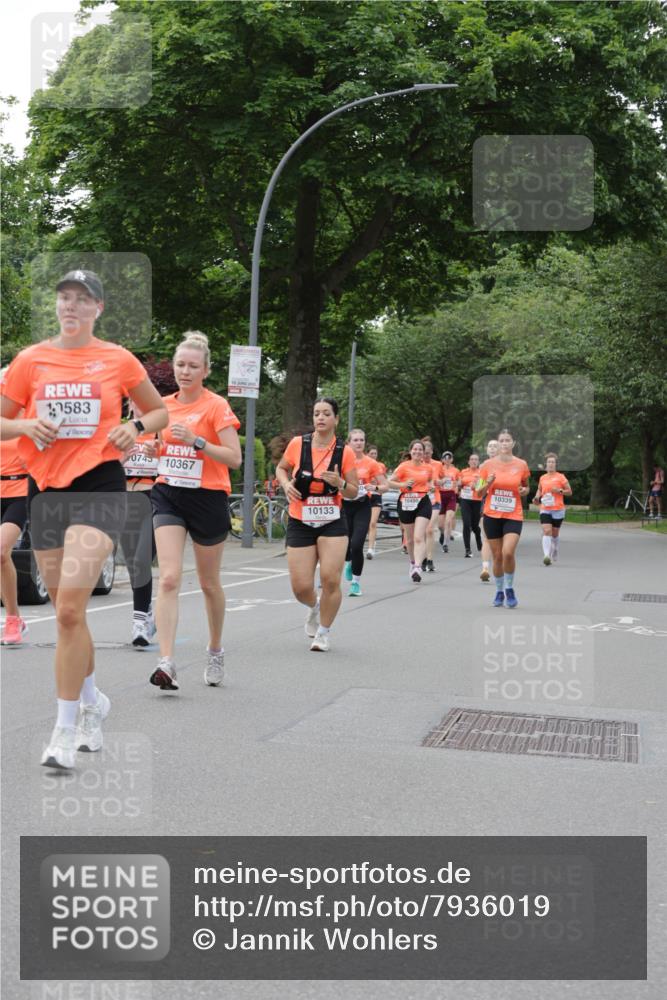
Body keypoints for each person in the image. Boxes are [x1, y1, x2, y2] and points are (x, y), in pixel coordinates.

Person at [0, 269, 167, 769]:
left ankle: (63, 731)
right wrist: (25, 424)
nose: (70, 305)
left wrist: (134, 426)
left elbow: (159, 413)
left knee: (71, 607)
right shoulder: (30, 360)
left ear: (98, 308)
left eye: (81, 298)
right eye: (64, 297)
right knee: (67, 613)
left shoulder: (117, 359)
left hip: (100, 486)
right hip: (46, 489)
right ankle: (93, 702)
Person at [146, 331, 241, 691]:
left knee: (208, 583)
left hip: (207, 498)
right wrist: (156, 451)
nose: (185, 372)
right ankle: (166, 662)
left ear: (206, 371)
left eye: (193, 366)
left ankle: (215, 649)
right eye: (180, 365)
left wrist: (198, 441)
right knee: (169, 577)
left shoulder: (216, 406)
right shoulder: (162, 406)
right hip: (168, 494)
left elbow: (234, 458)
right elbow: (158, 446)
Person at [276, 398, 359, 652]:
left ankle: (323, 633)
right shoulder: (298, 444)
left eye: (326, 414)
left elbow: (353, 491)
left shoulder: (345, 452)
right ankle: (314, 606)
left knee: (330, 579)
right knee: (301, 587)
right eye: (316, 414)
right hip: (300, 518)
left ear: (336, 419)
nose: (320, 418)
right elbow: (281, 468)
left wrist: (340, 483)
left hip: (332, 520)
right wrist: (286, 484)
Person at [121, 403, 160, 646]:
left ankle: (139, 623)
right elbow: (105, 467)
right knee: (132, 564)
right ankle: (146, 612)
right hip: (125, 500)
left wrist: (158, 454)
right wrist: (122, 456)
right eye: (135, 401)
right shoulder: (121, 431)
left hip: (154, 498)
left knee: (141, 559)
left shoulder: (161, 432)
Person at [477, 429, 530, 608]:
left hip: (513, 514)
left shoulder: (521, 464)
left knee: (508, 552)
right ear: (498, 444)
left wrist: (524, 491)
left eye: (508, 440)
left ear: (513, 443)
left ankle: (509, 589)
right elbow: (479, 492)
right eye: (502, 440)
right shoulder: (487, 465)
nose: (505, 443)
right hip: (492, 515)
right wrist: (488, 483)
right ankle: (499, 591)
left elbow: (526, 487)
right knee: (497, 556)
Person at [343, 429, 387, 596]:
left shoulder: (371, 463)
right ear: (349, 443)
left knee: (357, 544)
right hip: (344, 506)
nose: (359, 443)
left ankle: (355, 583)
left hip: (362, 505)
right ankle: (349, 561)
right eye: (355, 440)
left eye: (361, 440)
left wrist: (374, 487)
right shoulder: (341, 459)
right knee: (345, 545)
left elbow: (385, 486)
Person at [386, 440, 434, 583]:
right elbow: (388, 482)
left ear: (423, 453)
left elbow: (430, 481)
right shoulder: (403, 467)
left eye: (420, 450)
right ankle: (413, 562)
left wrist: (431, 487)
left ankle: (418, 567)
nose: (417, 452)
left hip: (423, 502)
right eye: (415, 449)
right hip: (406, 503)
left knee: (419, 537)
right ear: (411, 451)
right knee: (410, 539)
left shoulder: (428, 468)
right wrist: (403, 484)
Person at [0, 420, 29, 645]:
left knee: (1, 551)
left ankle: (12, 619)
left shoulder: (29, 419)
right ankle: (16, 619)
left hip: (20, 493)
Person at [532, 453, 572, 564]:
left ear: (556, 464)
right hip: (545, 508)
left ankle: (555, 549)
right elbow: (540, 489)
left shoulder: (561, 477)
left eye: (553, 462)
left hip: (558, 509)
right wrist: (536, 497)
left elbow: (569, 492)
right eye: (549, 462)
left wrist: (559, 491)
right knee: (546, 531)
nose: (551, 464)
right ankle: (546, 556)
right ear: (546, 464)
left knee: (554, 533)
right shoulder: (542, 478)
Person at [421, 438, 444, 573]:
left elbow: (442, 478)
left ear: (432, 452)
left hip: (435, 499)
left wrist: (440, 482)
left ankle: (429, 560)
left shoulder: (438, 464)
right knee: (422, 531)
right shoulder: (418, 465)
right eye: (424, 453)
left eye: (428, 453)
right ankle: (423, 558)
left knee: (429, 529)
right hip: (421, 500)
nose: (426, 456)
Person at [479, 439, 499, 581]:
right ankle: (485, 568)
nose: (492, 448)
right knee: (486, 537)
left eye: (495, 446)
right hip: (487, 500)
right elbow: (479, 489)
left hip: (503, 502)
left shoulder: (506, 465)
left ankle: (499, 566)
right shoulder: (484, 466)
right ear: (487, 450)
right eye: (490, 446)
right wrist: (484, 483)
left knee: (500, 539)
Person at [457, 453, 483, 558]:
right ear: (468, 462)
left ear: (478, 462)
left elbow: (482, 487)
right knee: (466, 524)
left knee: (475, 525)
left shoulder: (481, 472)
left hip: (477, 501)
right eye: (472, 459)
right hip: (465, 500)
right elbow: (459, 483)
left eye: (476, 459)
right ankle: (467, 549)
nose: (473, 461)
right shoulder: (463, 472)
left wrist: (476, 485)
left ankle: (478, 537)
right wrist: (459, 484)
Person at [365, 444, 386, 559]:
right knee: (366, 523)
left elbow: (384, 482)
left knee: (373, 522)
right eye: (371, 453)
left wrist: (379, 486)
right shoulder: (364, 465)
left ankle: (370, 549)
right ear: (367, 454)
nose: (373, 455)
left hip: (376, 495)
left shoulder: (380, 466)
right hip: (365, 496)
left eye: (375, 454)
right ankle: (372, 541)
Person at [438, 450, 459, 553]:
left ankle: (445, 544)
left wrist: (457, 484)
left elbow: (459, 481)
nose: (447, 460)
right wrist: (440, 482)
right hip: (440, 496)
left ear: (452, 459)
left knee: (448, 520)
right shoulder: (439, 469)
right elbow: (434, 480)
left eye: (449, 458)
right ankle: (442, 533)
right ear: (442, 460)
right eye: (445, 458)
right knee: (440, 525)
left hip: (451, 496)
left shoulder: (455, 470)